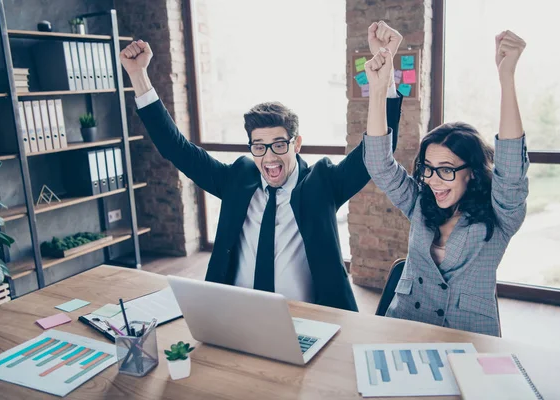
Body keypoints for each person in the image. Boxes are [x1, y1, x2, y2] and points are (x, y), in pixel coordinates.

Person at [119, 22, 403, 311]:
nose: (269, 157)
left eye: (279, 145)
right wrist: (138, 75)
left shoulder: (323, 182)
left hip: (312, 319)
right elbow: (175, 148)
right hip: (236, 313)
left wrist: (385, 83)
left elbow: (377, 153)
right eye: (259, 146)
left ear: (297, 143)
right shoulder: (237, 178)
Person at [363, 30, 528, 335]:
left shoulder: (500, 218)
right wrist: (378, 88)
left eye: (446, 170)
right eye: (427, 168)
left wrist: (507, 78)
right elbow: (378, 163)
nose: (433, 180)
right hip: (405, 330)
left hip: (469, 340)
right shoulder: (420, 205)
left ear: (473, 172)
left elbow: (511, 168)